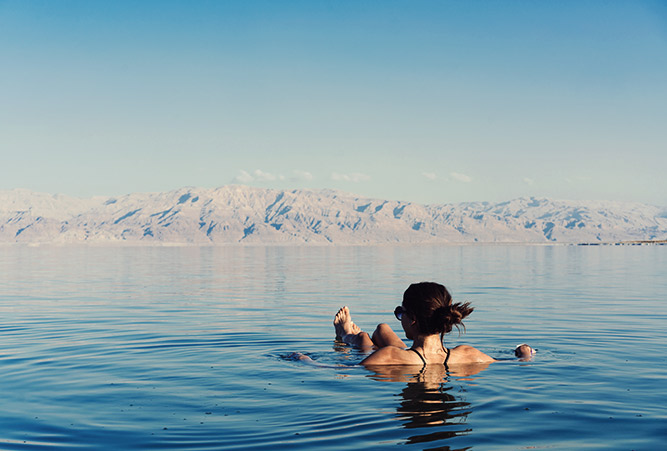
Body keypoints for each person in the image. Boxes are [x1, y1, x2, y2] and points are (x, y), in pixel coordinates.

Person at [332, 281, 533, 367]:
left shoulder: (388, 356)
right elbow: (512, 362)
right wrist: (524, 353)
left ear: (412, 319)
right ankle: (354, 336)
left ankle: (346, 335)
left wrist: (302, 358)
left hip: (410, 358)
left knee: (366, 341)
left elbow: (339, 368)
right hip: (421, 356)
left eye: (400, 312)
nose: (399, 317)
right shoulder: (468, 354)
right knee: (383, 328)